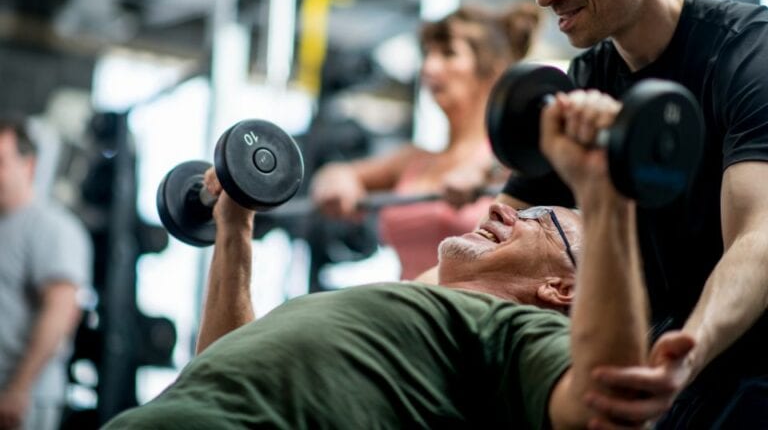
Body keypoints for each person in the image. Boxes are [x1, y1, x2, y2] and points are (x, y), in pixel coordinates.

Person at [101, 93, 685, 430]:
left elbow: (599, 405)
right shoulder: (404, 306)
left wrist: (603, 193)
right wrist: (234, 227)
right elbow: (221, 361)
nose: (505, 212)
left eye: (538, 219)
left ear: (560, 289)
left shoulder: (511, 336)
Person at [489, 0, 768, 426]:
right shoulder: (588, 80)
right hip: (661, 372)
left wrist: (689, 347)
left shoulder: (748, 54)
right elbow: (498, 230)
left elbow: (758, 239)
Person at [311, 3, 541, 280]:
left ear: (492, 67)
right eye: (428, 54)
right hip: (406, 313)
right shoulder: (414, 160)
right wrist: (336, 179)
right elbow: (338, 172)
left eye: (448, 54)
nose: (429, 68)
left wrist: (485, 172)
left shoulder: (511, 157)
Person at [0, 116, 92, 430]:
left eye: (0, 162)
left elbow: (62, 311)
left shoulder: (53, 229)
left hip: (21, 401)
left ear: (29, 166)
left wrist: (19, 388)